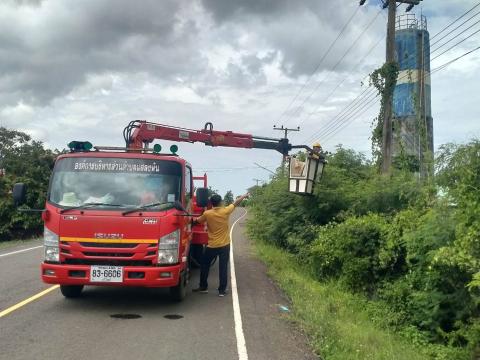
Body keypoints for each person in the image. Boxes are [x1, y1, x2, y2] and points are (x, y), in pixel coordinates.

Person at [192, 192, 250, 297]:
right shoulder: (226, 210)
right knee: (223, 268)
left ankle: (203, 287)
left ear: (212, 203)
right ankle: (221, 291)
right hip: (224, 245)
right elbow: (236, 202)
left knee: (204, 265)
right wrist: (244, 196)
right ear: (220, 202)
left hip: (212, 246)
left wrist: (192, 221)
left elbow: (196, 222)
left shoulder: (207, 214)